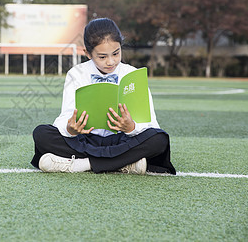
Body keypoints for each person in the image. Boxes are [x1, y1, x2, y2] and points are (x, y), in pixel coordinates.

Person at [30, 18, 176, 175]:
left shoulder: (133, 74)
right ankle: (123, 163)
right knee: (42, 134)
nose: (111, 61)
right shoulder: (76, 74)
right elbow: (66, 114)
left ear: (121, 47)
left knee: (159, 139)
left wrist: (131, 127)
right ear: (87, 53)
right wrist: (70, 129)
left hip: (123, 139)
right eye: (102, 56)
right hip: (86, 139)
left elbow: (152, 124)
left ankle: (84, 164)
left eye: (116, 53)